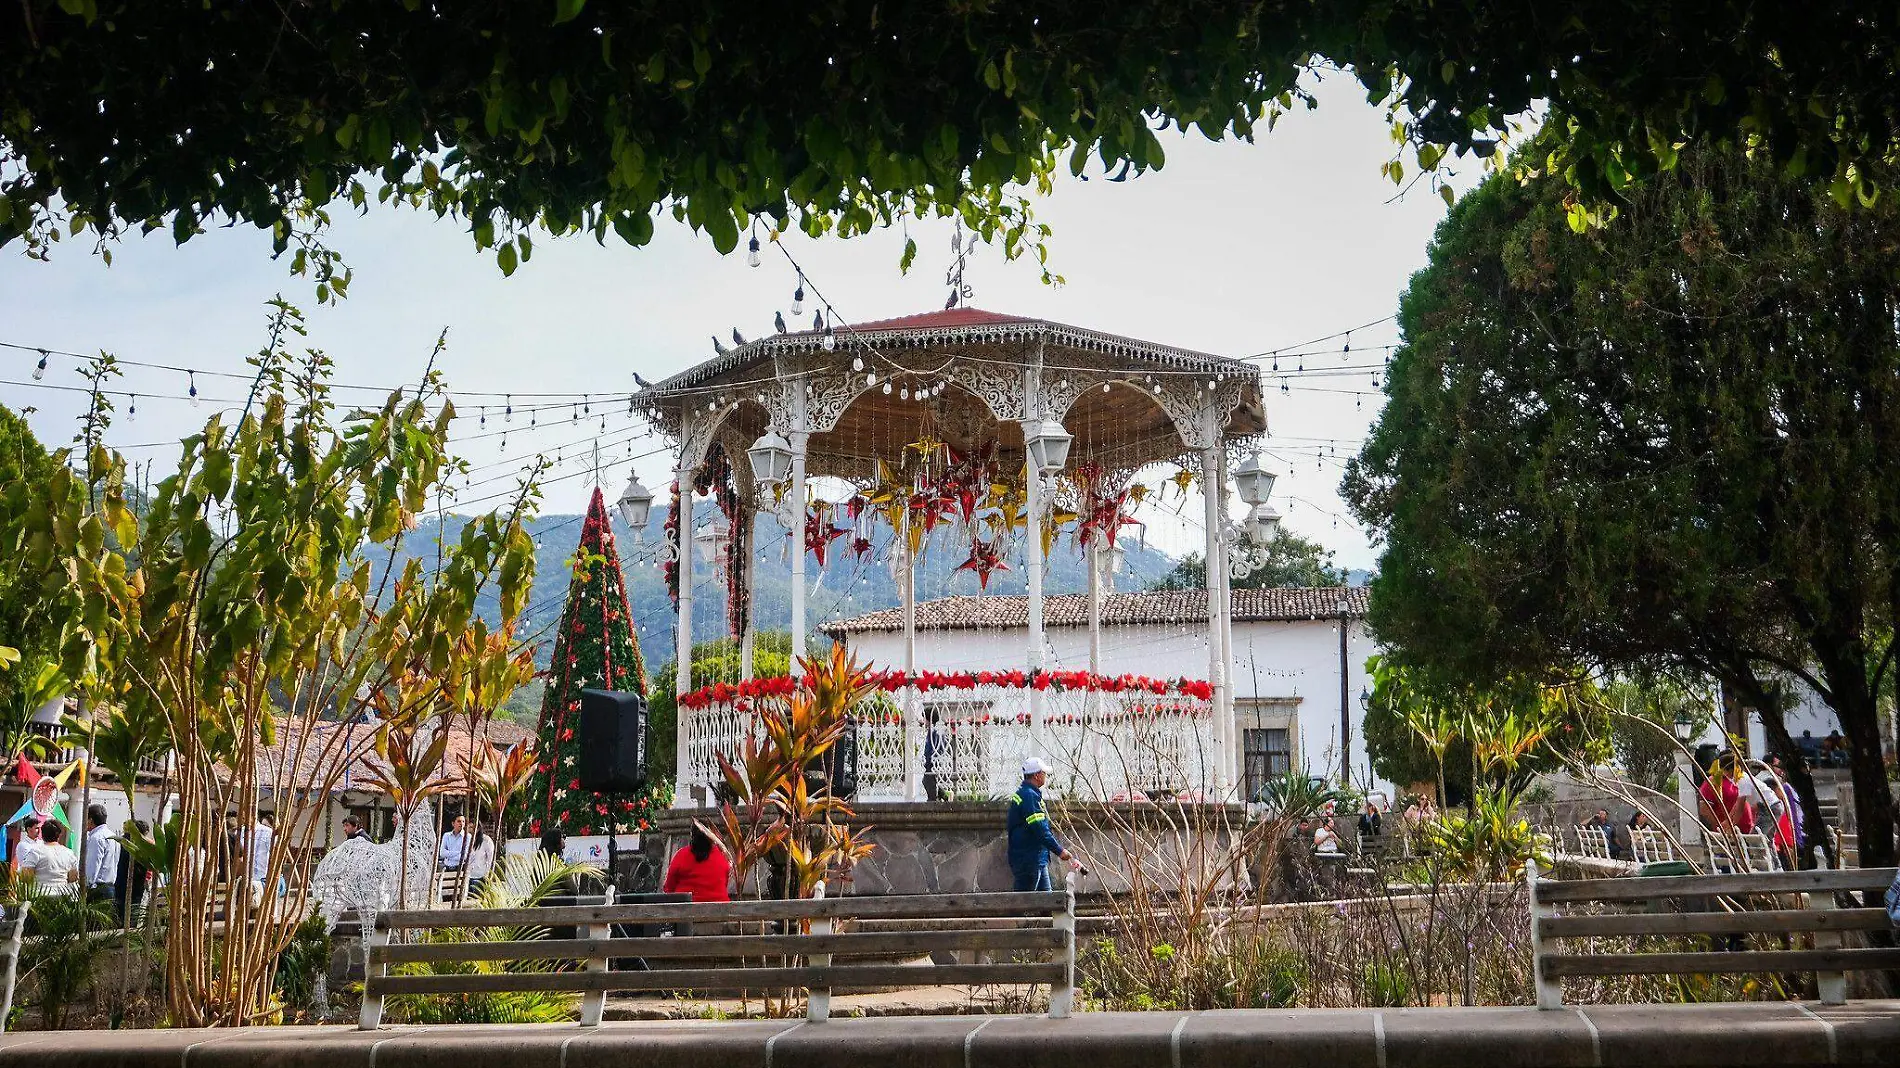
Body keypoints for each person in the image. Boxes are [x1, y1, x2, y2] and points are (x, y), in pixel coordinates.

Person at [1006, 757, 1080, 891]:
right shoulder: (1029, 796)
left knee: (1046, 903)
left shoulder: (1026, 794)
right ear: (1036, 775)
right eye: (1044, 773)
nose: (1045, 776)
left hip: (1036, 859)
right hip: (1029, 860)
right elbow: (1039, 829)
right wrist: (1059, 850)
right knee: (1024, 904)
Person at [662, 826, 732, 902]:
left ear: (692, 836)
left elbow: (668, 887)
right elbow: (724, 883)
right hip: (721, 909)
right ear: (711, 836)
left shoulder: (681, 855)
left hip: (684, 909)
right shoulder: (722, 857)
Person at [22, 821, 80, 895]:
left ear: (42, 835)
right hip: (62, 896)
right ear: (59, 835)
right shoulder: (69, 853)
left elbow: (25, 877)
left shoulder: (36, 852)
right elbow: (73, 877)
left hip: (40, 896)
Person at [114, 819, 151, 922]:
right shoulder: (140, 845)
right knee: (131, 916)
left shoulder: (122, 841)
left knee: (120, 915)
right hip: (134, 885)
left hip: (122, 884)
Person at [83, 803, 120, 904]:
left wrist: (85, 885)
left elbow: (92, 865)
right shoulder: (113, 836)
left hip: (98, 889)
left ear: (90, 820)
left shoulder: (96, 838)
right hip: (110, 887)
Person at [463, 828, 496, 893]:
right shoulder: (467, 839)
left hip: (480, 874)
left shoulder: (486, 840)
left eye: (471, 828)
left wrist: (487, 873)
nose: (469, 830)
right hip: (468, 874)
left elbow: (490, 859)